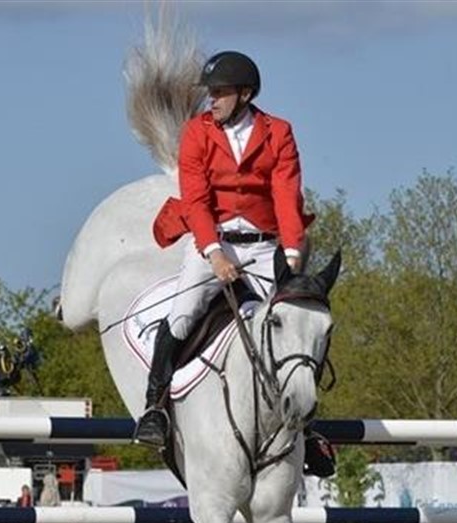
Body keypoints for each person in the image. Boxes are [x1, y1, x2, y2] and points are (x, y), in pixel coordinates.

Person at [134, 50, 336, 476]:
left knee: (298, 319)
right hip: (214, 239)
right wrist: (213, 253)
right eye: (211, 93)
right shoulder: (197, 132)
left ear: (245, 94)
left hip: (265, 246)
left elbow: (286, 194)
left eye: (220, 93)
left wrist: (291, 256)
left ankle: (307, 427)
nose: (212, 100)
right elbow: (196, 199)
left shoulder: (278, 132)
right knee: (183, 315)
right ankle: (155, 409)